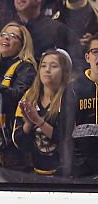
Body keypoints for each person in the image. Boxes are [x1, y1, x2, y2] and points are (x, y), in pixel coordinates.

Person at [14, 49, 72, 177]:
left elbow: (66, 139)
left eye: (54, 66)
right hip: (34, 173)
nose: (47, 70)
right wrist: (28, 124)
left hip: (65, 176)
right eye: (44, 65)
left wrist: (39, 121)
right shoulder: (29, 97)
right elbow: (19, 143)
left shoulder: (70, 97)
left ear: (64, 72)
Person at [0, 23, 37, 170]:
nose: (6, 38)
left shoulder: (26, 68)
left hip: (11, 143)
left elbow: (16, 96)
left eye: (12, 36)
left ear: (22, 45)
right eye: (3, 34)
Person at [71, 36, 98, 178]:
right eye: (96, 52)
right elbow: (64, 131)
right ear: (87, 57)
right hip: (82, 168)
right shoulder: (74, 88)